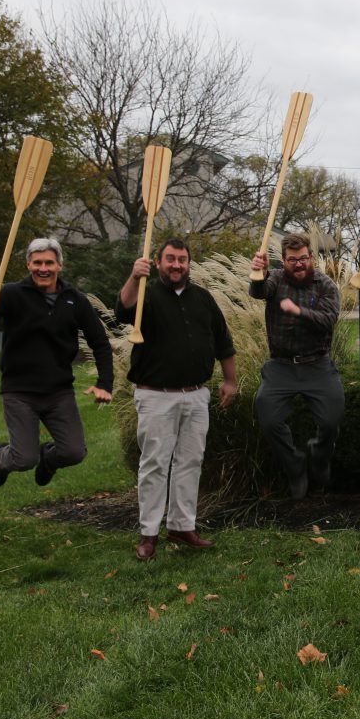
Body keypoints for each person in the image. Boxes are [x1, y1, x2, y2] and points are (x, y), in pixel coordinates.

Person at [116, 239, 237, 561]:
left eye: (182, 259)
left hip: (196, 395)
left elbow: (223, 341)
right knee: (155, 464)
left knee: (190, 462)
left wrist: (230, 380)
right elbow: (123, 309)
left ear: (188, 263)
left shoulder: (203, 298)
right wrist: (133, 276)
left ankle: (183, 526)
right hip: (156, 396)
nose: (176, 265)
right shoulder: (145, 294)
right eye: (170, 259)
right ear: (158, 263)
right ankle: (149, 533)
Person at [0, 238, 113, 487]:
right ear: (28, 265)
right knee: (23, 459)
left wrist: (104, 383)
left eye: (49, 263)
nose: (43, 268)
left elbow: (100, 343)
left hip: (59, 392)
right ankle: (1, 457)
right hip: (20, 392)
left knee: (74, 453)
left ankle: (49, 459)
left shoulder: (75, 300)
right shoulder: (10, 294)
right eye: (37, 263)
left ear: (60, 266)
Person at [249, 234, 343, 500]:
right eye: (293, 260)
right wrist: (260, 270)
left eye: (303, 258)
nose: (299, 264)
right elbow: (258, 291)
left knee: (331, 421)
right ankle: (295, 466)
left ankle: (318, 457)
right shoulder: (276, 279)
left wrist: (298, 311)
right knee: (269, 419)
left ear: (311, 258)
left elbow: (328, 319)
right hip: (281, 366)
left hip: (318, 365)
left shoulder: (325, 285)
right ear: (284, 261)